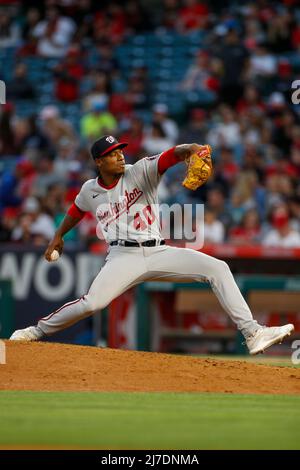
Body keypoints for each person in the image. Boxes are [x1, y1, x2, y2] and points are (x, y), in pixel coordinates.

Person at [10, 136, 294, 355]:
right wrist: (58, 236)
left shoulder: (140, 171)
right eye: (112, 154)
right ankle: (35, 331)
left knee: (217, 268)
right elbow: (76, 210)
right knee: (92, 303)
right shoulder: (89, 190)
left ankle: (252, 333)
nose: (120, 156)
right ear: (99, 161)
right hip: (123, 257)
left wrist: (194, 149)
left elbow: (173, 155)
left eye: (120, 151)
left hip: (158, 251)